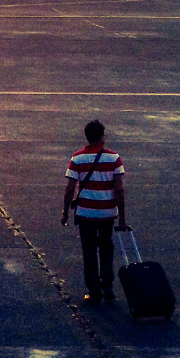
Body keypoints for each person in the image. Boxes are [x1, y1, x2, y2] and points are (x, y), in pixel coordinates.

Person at [61, 120, 129, 305]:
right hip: (107, 213)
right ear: (102, 137)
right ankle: (107, 287)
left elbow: (69, 189)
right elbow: (119, 190)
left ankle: (93, 291)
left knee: (89, 251)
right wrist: (122, 219)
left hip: (86, 214)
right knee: (106, 249)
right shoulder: (114, 158)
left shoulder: (77, 158)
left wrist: (65, 212)